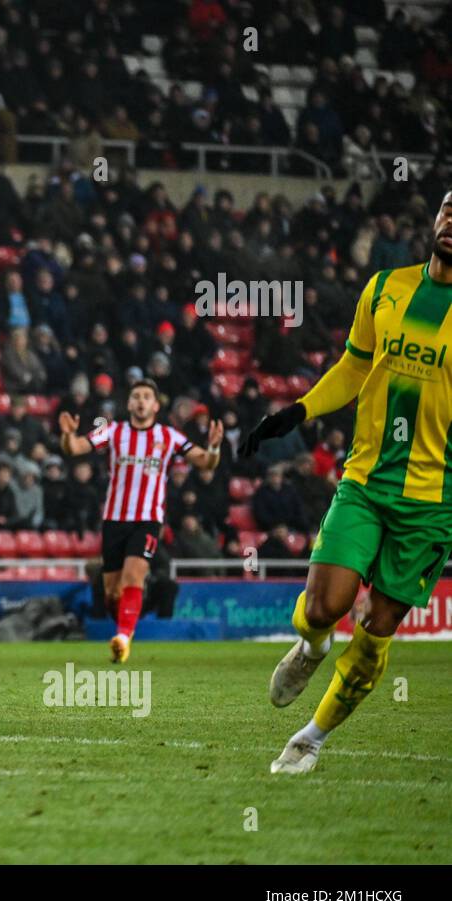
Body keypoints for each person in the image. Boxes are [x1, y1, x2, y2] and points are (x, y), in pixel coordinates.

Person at [239, 190, 452, 775]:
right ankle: (309, 646)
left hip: (433, 504)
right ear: (434, 217)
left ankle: (309, 739)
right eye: (449, 207)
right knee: (322, 607)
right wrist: (297, 411)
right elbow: (355, 365)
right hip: (365, 480)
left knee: (377, 626)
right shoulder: (386, 287)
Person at [59, 378, 224, 663]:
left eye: (147, 396)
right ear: (129, 403)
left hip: (147, 520)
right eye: (136, 395)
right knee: (112, 592)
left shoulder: (169, 436)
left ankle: (123, 637)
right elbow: (75, 448)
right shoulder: (112, 431)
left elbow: (206, 462)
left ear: (155, 405)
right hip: (113, 520)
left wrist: (214, 448)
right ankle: (126, 621)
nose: (140, 400)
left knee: (134, 575)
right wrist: (66, 435)